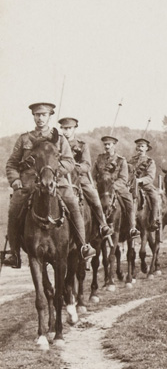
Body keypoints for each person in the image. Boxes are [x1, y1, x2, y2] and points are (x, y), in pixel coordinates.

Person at [4, 102, 96, 268]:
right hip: (28, 183)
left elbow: (69, 161)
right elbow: (11, 163)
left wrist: (53, 172)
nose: (40, 118)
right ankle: (14, 253)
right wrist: (15, 180)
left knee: (73, 205)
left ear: (49, 116)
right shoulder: (24, 139)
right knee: (13, 209)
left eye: (43, 115)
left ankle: (83, 246)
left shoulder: (59, 139)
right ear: (33, 116)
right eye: (37, 115)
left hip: (55, 181)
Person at [57, 117, 112, 242]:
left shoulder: (82, 145)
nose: (66, 131)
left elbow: (87, 165)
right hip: (61, 176)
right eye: (64, 128)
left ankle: (102, 225)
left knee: (93, 195)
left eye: (69, 128)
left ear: (74, 129)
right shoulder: (57, 144)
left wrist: (76, 167)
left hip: (79, 177)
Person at [94, 135, 140, 241]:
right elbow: (94, 175)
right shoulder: (99, 159)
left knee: (129, 201)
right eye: (105, 144)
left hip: (117, 187)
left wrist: (112, 187)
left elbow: (123, 179)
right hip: (102, 188)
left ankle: (132, 228)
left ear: (114, 145)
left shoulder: (121, 160)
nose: (106, 147)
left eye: (109, 144)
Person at [128, 137, 162, 229]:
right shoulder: (131, 161)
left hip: (145, 186)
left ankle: (154, 220)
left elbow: (150, 177)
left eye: (142, 146)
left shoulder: (150, 161)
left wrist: (140, 180)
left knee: (155, 198)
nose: (140, 148)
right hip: (131, 186)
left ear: (146, 148)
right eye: (138, 146)